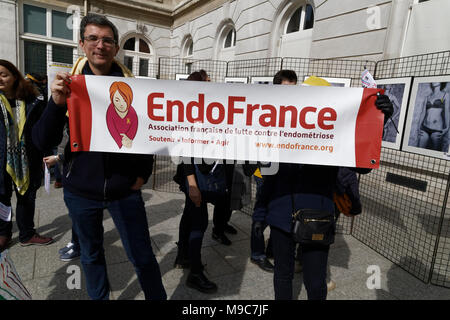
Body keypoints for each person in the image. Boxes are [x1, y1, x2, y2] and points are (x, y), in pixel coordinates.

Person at [32, 13, 166, 300]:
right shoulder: (65, 86)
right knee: (91, 257)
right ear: (82, 44)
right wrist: (56, 105)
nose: (100, 45)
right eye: (93, 38)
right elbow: (42, 140)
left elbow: (149, 137)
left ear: (116, 48)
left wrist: (141, 175)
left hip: (124, 191)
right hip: (80, 192)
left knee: (142, 257)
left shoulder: (136, 89)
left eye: (107, 40)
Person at [253, 72, 393, 300]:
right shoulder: (280, 131)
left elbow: (362, 165)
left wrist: (379, 120)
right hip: (280, 215)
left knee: (315, 281)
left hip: (317, 217)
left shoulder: (334, 137)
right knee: (282, 274)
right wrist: (260, 214)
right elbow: (270, 176)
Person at [0, 60, 53, 251]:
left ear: (15, 76)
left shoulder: (32, 99)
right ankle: (3, 233)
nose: (0, 78)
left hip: (27, 157)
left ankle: (27, 234)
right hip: (2, 158)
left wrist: (46, 155)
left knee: (26, 197)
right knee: (2, 197)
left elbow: (42, 130)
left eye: (4, 74)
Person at [417, 82, 450, 151]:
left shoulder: (445, 95)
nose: (434, 82)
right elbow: (423, 113)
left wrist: (447, 127)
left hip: (437, 130)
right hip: (425, 128)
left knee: (435, 152)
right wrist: (418, 127)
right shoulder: (428, 97)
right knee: (419, 150)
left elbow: (447, 112)